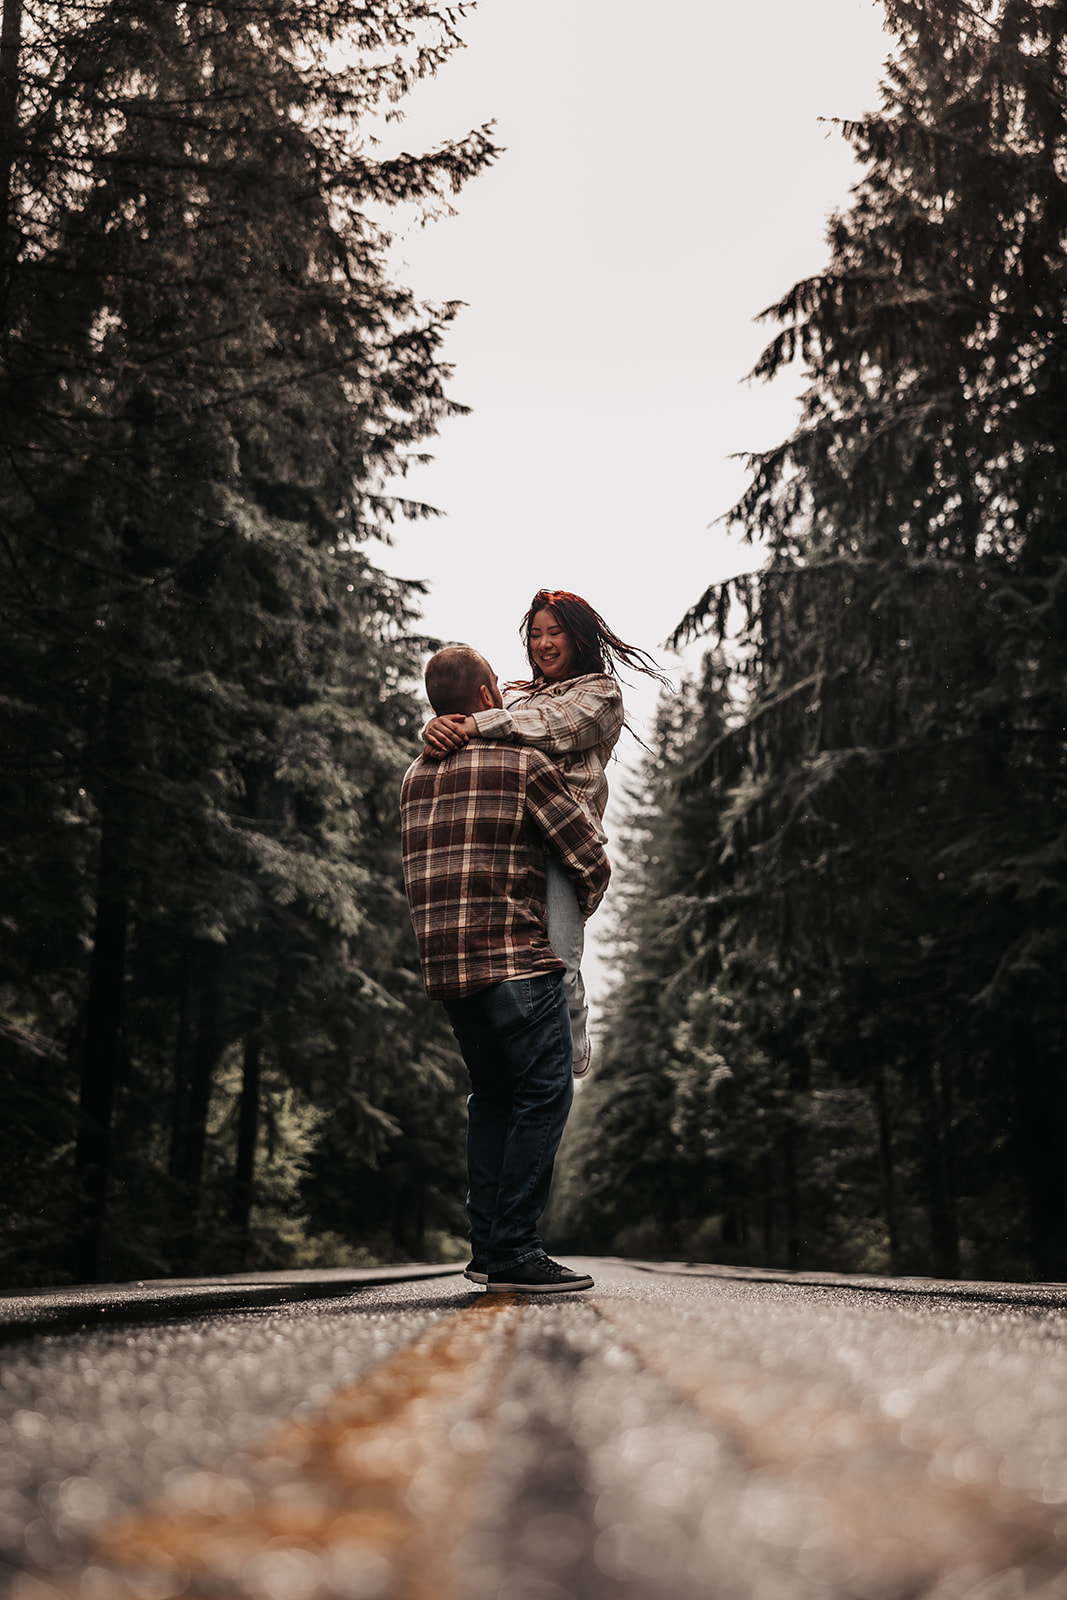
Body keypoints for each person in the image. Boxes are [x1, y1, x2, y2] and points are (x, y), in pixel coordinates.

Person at [400, 645, 611, 1294]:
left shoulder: (414, 775)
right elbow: (587, 856)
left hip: (448, 971)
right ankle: (514, 1250)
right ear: (489, 697)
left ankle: (486, 1249)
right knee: (544, 1093)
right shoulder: (519, 763)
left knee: (490, 1098)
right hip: (516, 961)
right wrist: (573, 913)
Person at [423, 589, 666, 1076]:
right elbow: (468, 713)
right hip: (508, 834)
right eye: (536, 633)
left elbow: (551, 727)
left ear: (578, 636)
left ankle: (567, 1054)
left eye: (555, 632)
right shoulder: (512, 695)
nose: (544, 643)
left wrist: (474, 723)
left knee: (560, 953)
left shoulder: (599, 694)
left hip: (562, 838)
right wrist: (436, 729)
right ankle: (513, 1050)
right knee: (511, 957)